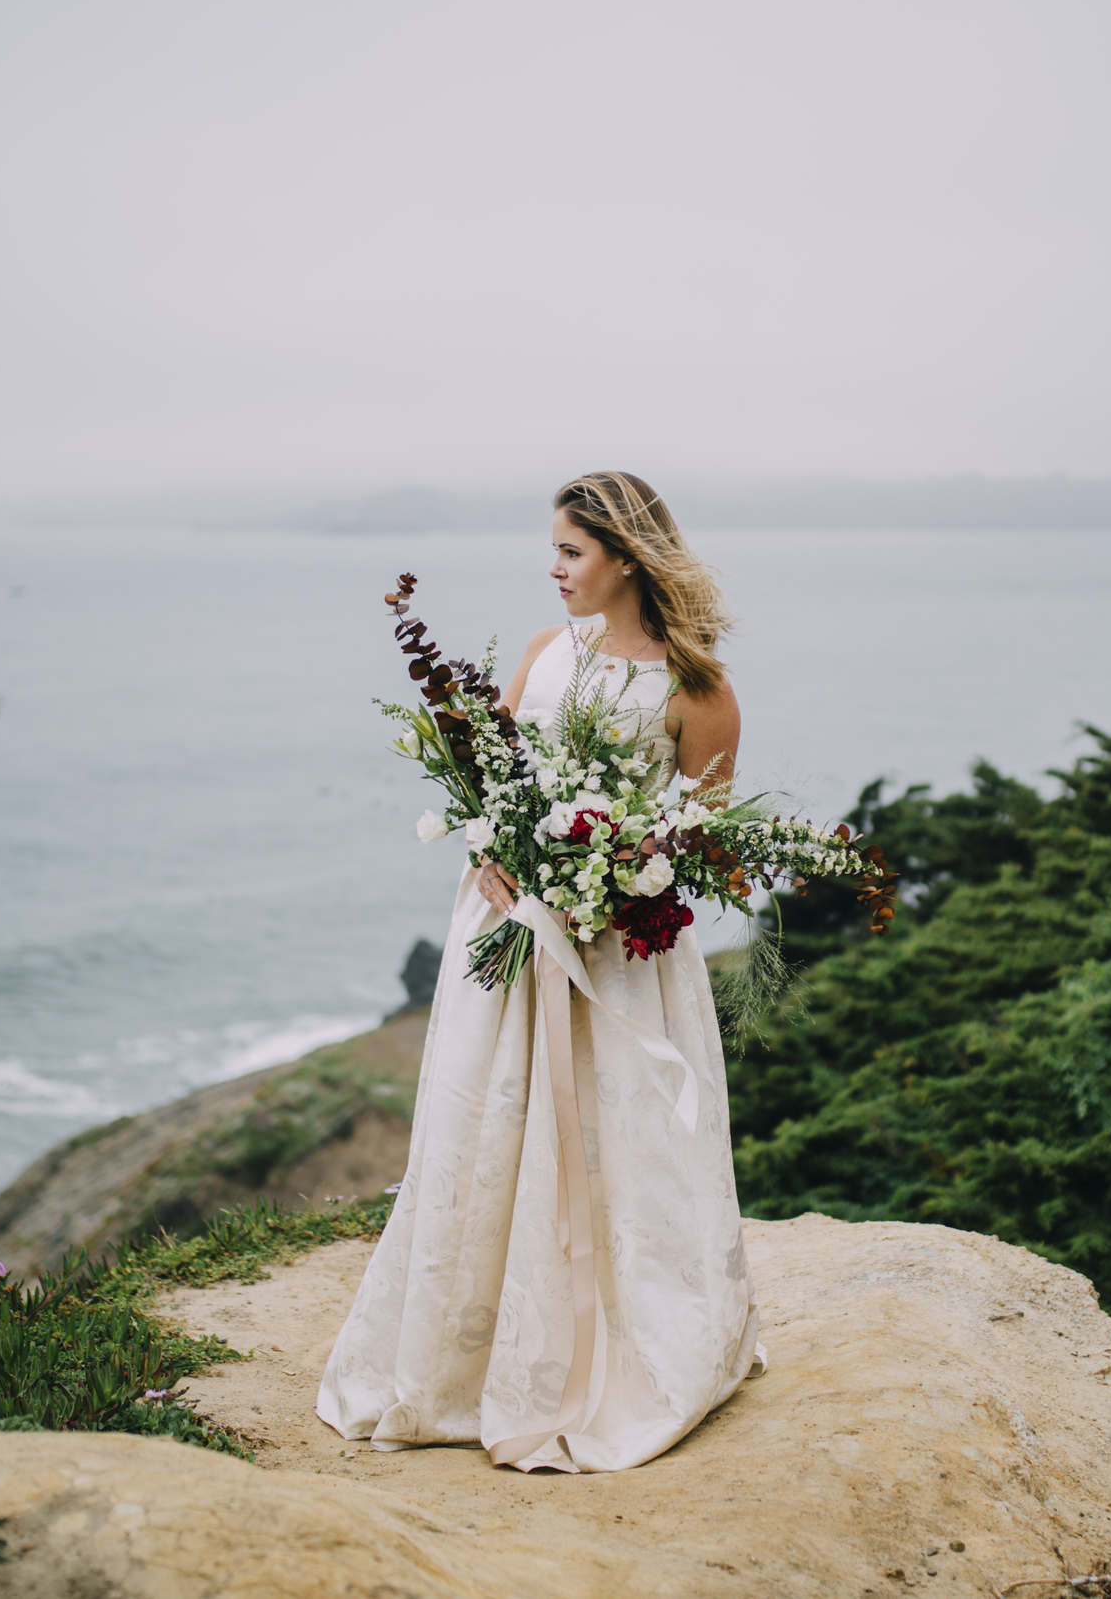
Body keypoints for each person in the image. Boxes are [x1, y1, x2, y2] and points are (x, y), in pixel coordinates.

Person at [317, 471, 762, 1473]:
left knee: (623, 1135)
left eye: (570, 550)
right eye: (553, 549)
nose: (552, 568)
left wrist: (616, 871)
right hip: (513, 933)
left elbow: (709, 840)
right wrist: (492, 844)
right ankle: (472, 1358)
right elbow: (494, 773)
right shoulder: (539, 654)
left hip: (618, 952)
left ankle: (625, 1347)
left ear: (626, 557)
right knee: (492, 1126)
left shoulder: (698, 687)